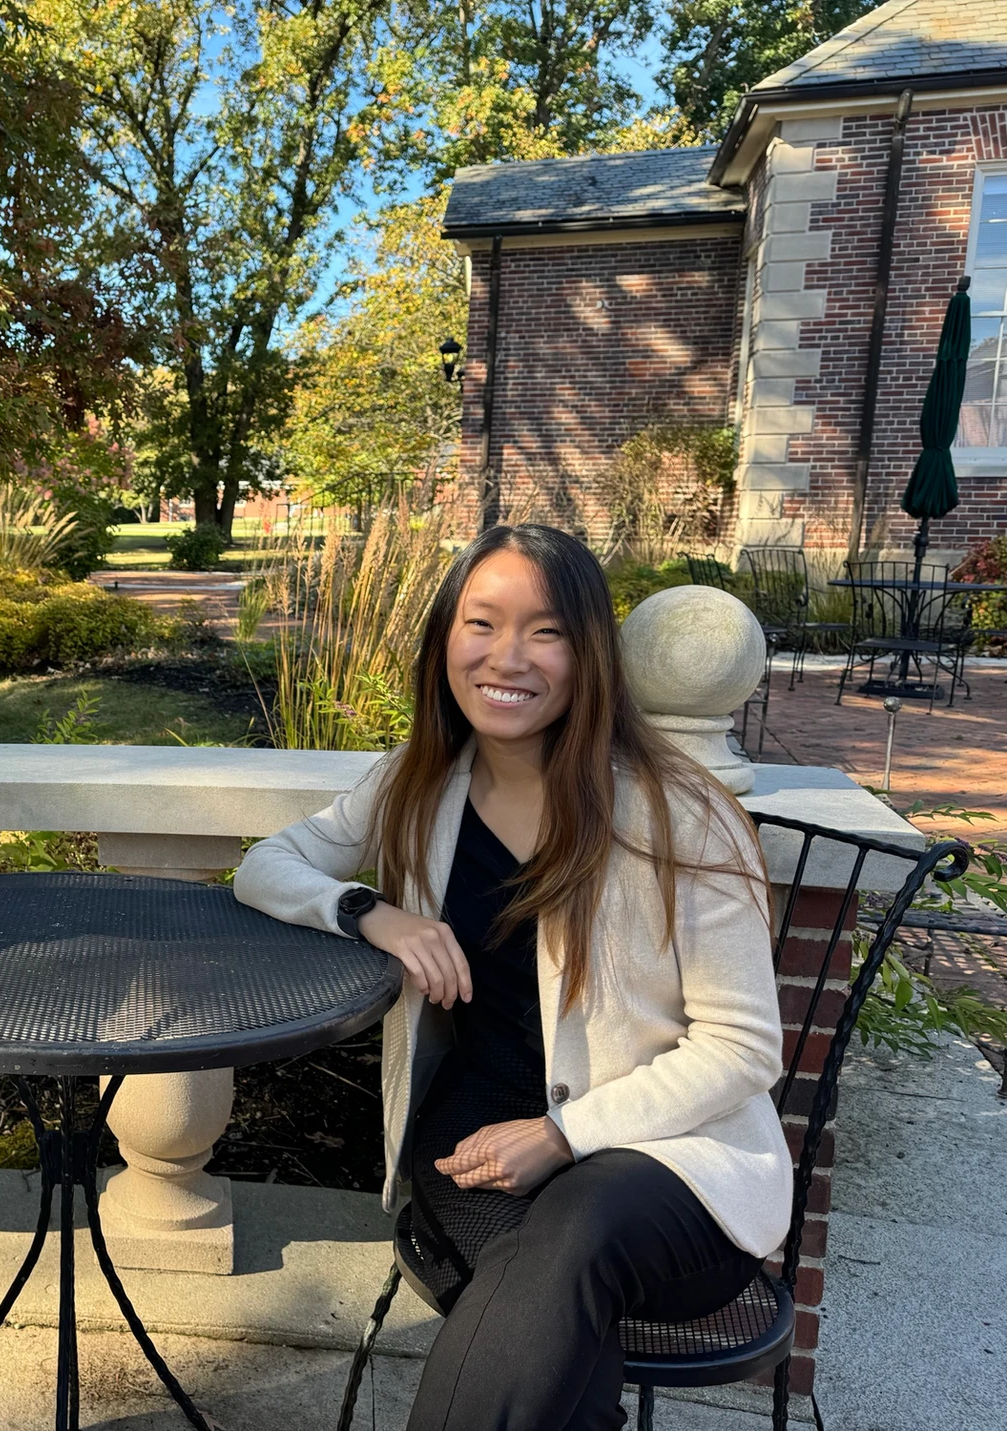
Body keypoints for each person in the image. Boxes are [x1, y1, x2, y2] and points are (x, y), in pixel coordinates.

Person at [234, 524, 790, 1429]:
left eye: (547, 631)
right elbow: (267, 863)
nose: (507, 656)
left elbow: (742, 1047)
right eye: (481, 622)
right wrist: (371, 911)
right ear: (445, 639)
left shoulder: (678, 814)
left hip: (669, 1152)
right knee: (547, 1325)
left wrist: (566, 1132)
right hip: (477, 1116)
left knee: (568, 1244)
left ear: (589, 653)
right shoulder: (417, 785)